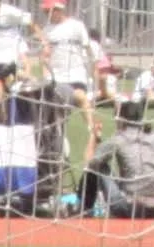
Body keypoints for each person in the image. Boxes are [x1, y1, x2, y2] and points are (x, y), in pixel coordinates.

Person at [77, 95, 154, 214]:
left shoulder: (119, 139)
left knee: (99, 166)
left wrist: (94, 135)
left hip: (130, 208)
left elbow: (90, 164)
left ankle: (84, 210)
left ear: (121, 120)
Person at [41, 0, 100, 169]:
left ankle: (92, 130)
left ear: (60, 9)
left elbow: (88, 50)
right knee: (58, 117)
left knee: (80, 97)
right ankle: (60, 152)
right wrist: (46, 75)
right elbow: (45, 56)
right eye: (46, 11)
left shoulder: (76, 26)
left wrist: (93, 70)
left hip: (76, 74)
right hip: (57, 77)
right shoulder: (47, 30)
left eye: (50, 10)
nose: (48, 14)